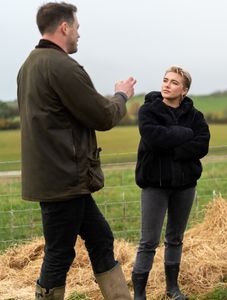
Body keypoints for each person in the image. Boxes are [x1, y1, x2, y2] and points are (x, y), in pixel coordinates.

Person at [17, 2, 136, 299]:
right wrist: (122, 94)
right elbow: (103, 116)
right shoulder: (61, 66)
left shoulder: (28, 66)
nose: (79, 34)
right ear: (64, 27)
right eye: (77, 28)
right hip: (64, 180)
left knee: (100, 238)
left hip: (62, 179)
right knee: (59, 255)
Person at [132, 66, 210, 300]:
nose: (167, 85)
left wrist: (172, 146)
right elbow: (154, 139)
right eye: (165, 80)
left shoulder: (195, 116)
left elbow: (202, 145)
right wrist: (185, 134)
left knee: (175, 238)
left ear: (184, 90)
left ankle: (172, 288)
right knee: (149, 241)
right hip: (155, 184)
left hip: (185, 185)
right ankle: (139, 294)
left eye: (174, 82)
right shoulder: (148, 110)